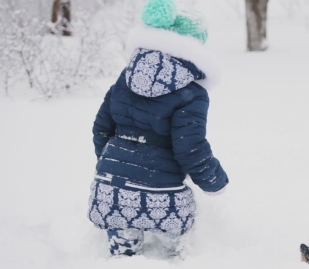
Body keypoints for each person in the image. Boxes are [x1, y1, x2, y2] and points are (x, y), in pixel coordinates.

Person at [87, 0, 228, 256]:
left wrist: (112, 161)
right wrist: (214, 181)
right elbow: (190, 147)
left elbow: (100, 128)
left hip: (111, 191)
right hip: (163, 196)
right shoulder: (193, 92)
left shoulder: (126, 75)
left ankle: (123, 265)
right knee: (179, 255)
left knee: (123, 261)